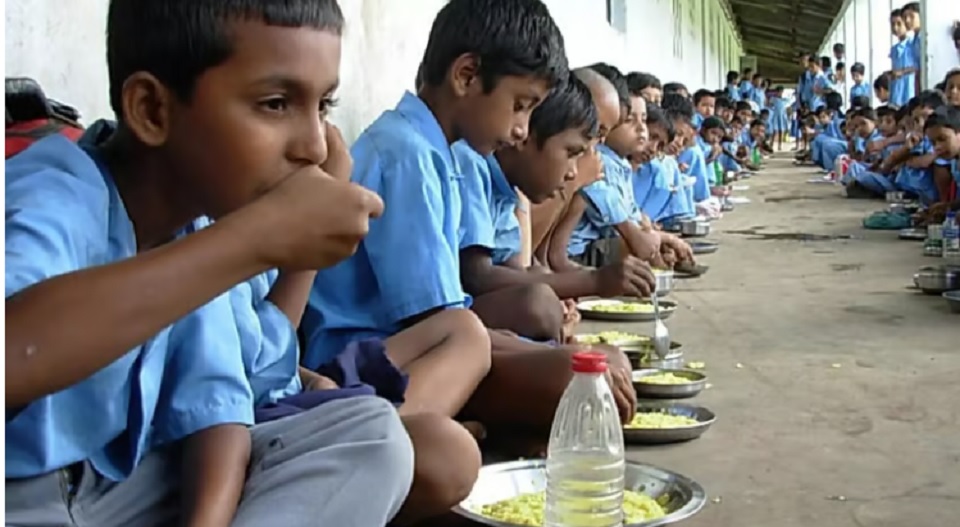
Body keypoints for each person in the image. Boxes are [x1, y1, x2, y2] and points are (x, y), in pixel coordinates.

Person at [5, 1, 417, 526]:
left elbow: (218, 411)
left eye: (324, 107)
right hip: (19, 495)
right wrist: (256, 237)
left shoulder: (200, 223)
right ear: (153, 110)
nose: (315, 147)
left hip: (118, 488)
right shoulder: (54, 196)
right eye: (275, 103)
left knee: (372, 436)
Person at [302, 0, 636, 454]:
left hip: (422, 344)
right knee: (570, 382)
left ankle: (479, 427)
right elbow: (438, 323)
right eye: (520, 106)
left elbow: (455, 320)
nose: (521, 129)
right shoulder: (407, 154)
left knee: (573, 384)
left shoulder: (435, 152)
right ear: (466, 76)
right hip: (361, 357)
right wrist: (566, 360)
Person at [455, 74, 656, 335]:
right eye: (573, 152)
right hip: (450, 323)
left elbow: (518, 268)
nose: (574, 169)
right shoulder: (472, 164)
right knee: (538, 305)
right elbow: (477, 276)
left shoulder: (507, 191)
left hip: (477, 319)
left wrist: (560, 288)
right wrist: (592, 281)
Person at [890, 8, 920, 107]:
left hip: (909, 89)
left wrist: (902, 72)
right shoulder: (894, 49)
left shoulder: (912, 44)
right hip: (897, 91)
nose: (895, 27)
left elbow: (917, 66)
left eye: (899, 23)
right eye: (892, 24)